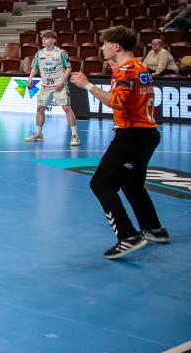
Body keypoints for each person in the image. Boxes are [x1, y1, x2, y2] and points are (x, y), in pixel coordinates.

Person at [68, 26, 168, 259]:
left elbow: (117, 103)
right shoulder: (140, 66)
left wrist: (87, 85)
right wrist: (117, 73)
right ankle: (154, 228)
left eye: (104, 44)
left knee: (101, 184)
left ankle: (127, 236)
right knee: (132, 184)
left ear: (116, 46)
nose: (102, 48)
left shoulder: (124, 72)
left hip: (131, 136)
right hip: (149, 135)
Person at [23, 30, 80, 146]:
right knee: (40, 108)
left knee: (66, 108)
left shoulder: (61, 53)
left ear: (53, 40)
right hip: (45, 86)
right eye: (43, 38)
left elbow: (68, 68)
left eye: (46, 38)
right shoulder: (39, 53)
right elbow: (35, 67)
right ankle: (38, 134)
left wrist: (62, 81)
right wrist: (30, 78)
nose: (44, 40)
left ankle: (75, 136)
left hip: (59, 85)